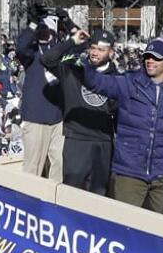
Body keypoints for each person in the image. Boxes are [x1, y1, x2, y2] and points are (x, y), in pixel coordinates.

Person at [80, 36, 163, 218]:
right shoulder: (129, 83)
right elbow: (96, 82)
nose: (150, 61)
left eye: (156, 58)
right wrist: (85, 65)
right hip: (129, 171)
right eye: (147, 57)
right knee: (124, 225)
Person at [39, 27, 119, 195]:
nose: (96, 53)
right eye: (93, 48)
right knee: (71, 193)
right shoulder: (74, 69)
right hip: (76, 139)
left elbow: (118, 112)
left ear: (111, 53)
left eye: (101, 49)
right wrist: (72, 41)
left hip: (102, 142)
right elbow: (47, 59)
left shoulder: (118, 79)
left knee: (98, 196)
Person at [15, 8, 65, 182]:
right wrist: (34, 22)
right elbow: (20, 46)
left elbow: (78, 46)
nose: (43, 33)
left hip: (58, 118)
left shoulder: (59, 51)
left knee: (60, 163)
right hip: (36, 118)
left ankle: (55, 202)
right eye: (40, 30)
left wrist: (66, 20)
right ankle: (29, 204)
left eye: (46, 29)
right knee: (33, 167)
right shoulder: (32, 53)